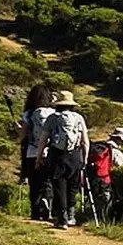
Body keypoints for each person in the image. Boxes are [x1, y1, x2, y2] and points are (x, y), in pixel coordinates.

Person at [36, 90, 90, 230]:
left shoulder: (53, 118)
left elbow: (43, 139)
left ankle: (62, 219)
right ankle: (72, 216)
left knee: (59, 188)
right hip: (75, 156)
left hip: (57, 155)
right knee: (72, 186)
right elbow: (85, 140)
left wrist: (39, 156)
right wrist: (84, 158)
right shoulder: (79, 118)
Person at [15, 84, 55, 221]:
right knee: (48, 181)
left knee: (35, 182)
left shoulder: (29, 114)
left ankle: (36, 211)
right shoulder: (53, 113)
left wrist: (19, 130)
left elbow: (23, 136)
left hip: (32, 152)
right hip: (50, 152)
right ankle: (48, 207)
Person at [86, 127, 123, 222]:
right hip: (104, 180)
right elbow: (122, 168)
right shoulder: (117, 153)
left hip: (91, 177)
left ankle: (90, 217)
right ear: (120, 140)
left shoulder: (100, 147)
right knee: (106, 201)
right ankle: (102, 220)